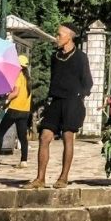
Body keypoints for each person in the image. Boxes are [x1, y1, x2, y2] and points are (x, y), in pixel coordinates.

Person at [24, 23, 92, 190]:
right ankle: (40, 178)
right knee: (44, 137)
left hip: (72, 102)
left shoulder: (81, 57)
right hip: (55, 101)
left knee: (68, 139)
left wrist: (79, 95)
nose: (57, 37)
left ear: (69, 36)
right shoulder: (55, 57)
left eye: (60, 34)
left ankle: (63, 177)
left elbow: (88, 82)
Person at [0, 54, 32, 169]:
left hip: (14, 109)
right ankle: (24, 160)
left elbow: (15, 93)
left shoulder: (18, 75)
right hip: (25, 111)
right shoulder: (28, 78)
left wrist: (6, 99)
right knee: (22, 136)